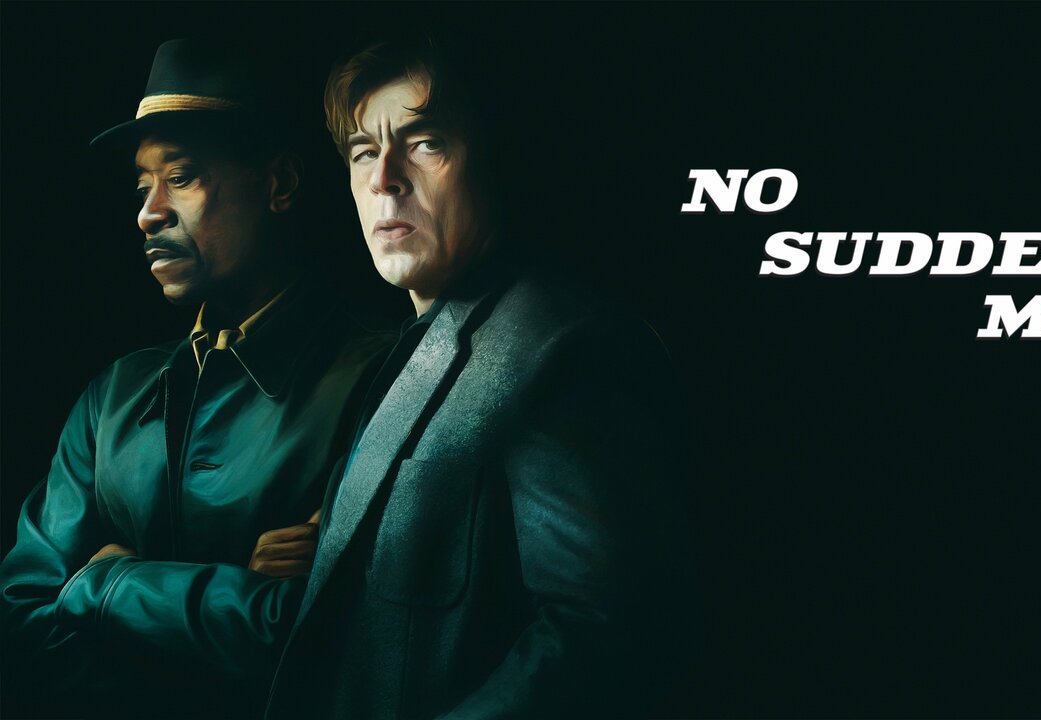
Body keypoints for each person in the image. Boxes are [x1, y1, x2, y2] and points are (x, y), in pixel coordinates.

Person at [264, 37, 693, 719]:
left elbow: (601, 635)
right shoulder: (409, 349)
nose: (384, 180)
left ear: (491, 158)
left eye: (424, 143)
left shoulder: (565, 346)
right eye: (364, 152)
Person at [0, 39, 393, 719]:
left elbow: (333, 639)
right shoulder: (111, 398)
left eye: (180, 177)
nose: (148, 213)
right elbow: (19, 624)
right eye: (141, 186)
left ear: (278, 184)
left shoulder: (380, 378)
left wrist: (102, 584)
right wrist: (237, 595)